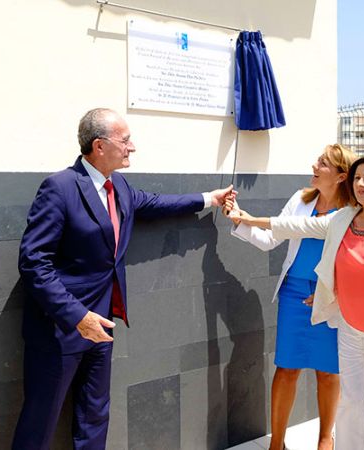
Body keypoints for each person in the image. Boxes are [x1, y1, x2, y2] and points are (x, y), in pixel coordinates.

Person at [12, 108, 234, 449]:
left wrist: (209, 199)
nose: (132, 147)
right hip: (59, 330)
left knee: (95, 415)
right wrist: (77, 317)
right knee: (40, 421)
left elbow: (157, 203)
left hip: (102, 323)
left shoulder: (120, 188)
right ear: (99, 146)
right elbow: (33, 264)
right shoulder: (60, 188)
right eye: (126, 140)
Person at [228, 155, 364, 450]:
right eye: (358, 177)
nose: (360, 183)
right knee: (350, 409)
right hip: (349, 330)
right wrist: (246, 220)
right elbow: (295, 226)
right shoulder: (343, 219)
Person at [229, 144, 354, 450]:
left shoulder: (350, 211)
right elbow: (271, 238)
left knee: (328, 371)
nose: (315, 165)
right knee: (286, 368)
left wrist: (332, 292)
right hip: (294, 294)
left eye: (323, 163)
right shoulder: (300, 199)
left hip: (328, 297)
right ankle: (278, 443)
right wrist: (240, 222)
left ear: (340, 175)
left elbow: (352, 258)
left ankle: (326, 439)